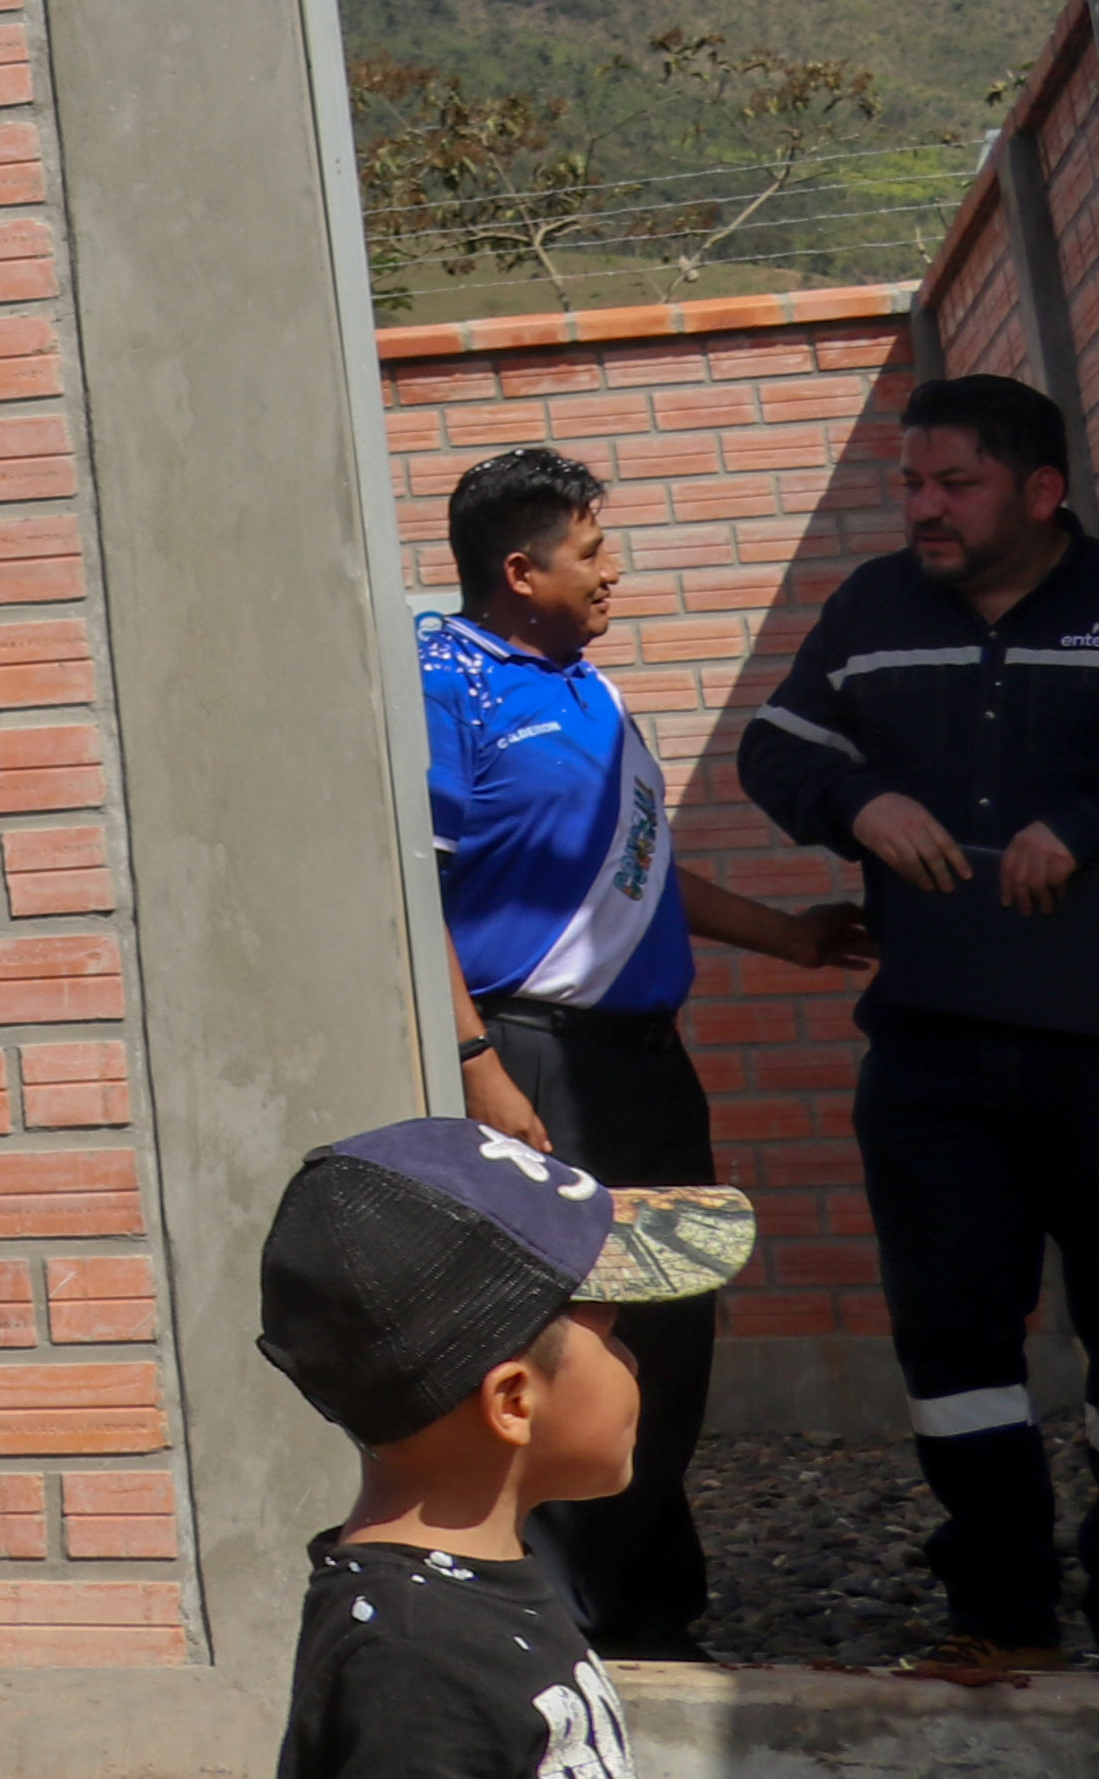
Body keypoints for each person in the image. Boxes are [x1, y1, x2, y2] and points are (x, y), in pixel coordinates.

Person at [416, 440, 865, 1657]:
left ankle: (654, 1616)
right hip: (532, 1061)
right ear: (520, 570)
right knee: (566, 1342)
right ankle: (556, 1628)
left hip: (641, 1058)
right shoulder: (443, 684)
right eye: (593, 553)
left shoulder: (594, 693)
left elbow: (639, 877)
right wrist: (478, 1066)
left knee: (669, 1327)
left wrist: (793, 939)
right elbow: (404, 889)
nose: (615, 574)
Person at [736, 367, 1099, 1680]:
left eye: (955, 484)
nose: (924, 508)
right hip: (933, 1053)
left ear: (1042, 491)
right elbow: (771, 750)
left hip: (1092, 1053)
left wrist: (1081, 825)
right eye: (909, 483)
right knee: (952, 1346)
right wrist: (858, 803)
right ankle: (999, 1617)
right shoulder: (873, 606)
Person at [253, 1116, 752, 1779]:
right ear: (513, 1401)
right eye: (610, 1336)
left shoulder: (461, 1602)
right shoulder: (416, 1667)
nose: (632, 1362)